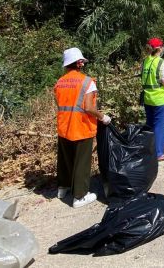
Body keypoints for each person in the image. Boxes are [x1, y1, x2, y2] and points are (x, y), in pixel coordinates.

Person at [54, 47, 111, 208]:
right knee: (81, 162)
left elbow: (60, 105)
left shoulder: (60, 82)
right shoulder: (87, 82)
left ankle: (63, 188)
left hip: (64, 127)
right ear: (79, 63)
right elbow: (88, 107)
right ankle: (79, 196)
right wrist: (102, 117)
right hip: (81, 127)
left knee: (65, 160)